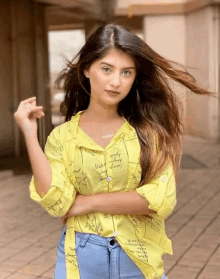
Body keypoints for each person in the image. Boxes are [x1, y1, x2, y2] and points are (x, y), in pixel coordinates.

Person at [14, 23, 216, 279]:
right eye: (106, 69)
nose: (115, 82)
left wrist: (88, 202)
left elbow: (161, 199)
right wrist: (31, 136)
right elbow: (57, 204)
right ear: (87, 68)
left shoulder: (148, 133)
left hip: (138, 260)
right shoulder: (63, 137)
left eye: (126, 72)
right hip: (80, 258)